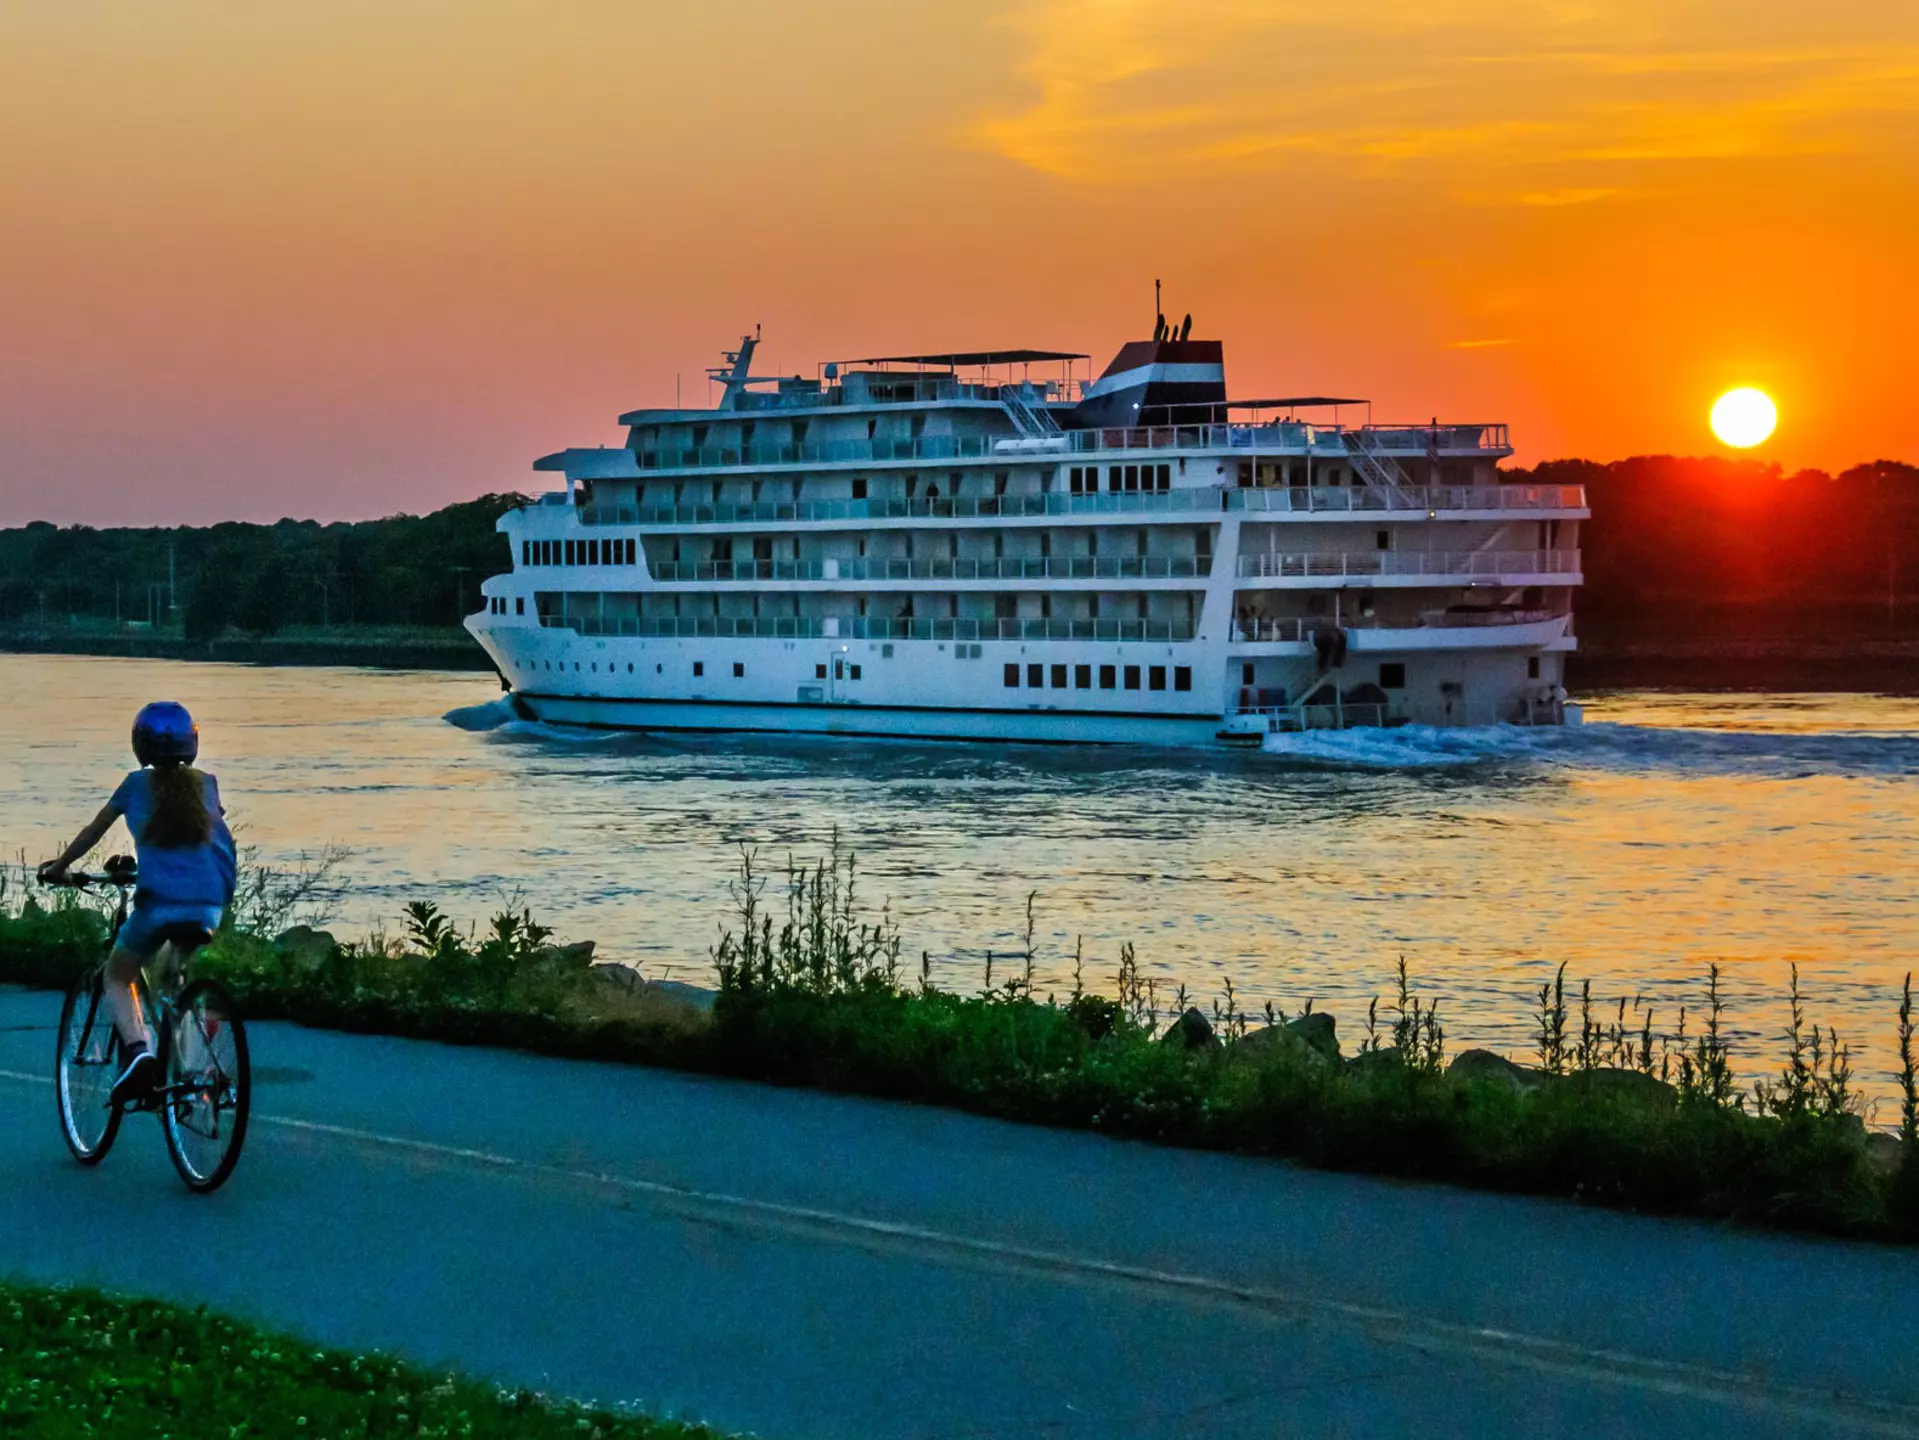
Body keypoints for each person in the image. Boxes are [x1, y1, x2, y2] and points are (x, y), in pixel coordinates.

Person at [39, 702, 237, 1106]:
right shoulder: (208, 784)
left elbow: (93, 832)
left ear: (140, 745)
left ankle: (138, 1053)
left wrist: (59, 867)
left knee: (117, 975)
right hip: (209, 905)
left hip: (160, 903)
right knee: (172, 978)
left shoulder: (134, 786)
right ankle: (201, 1070)